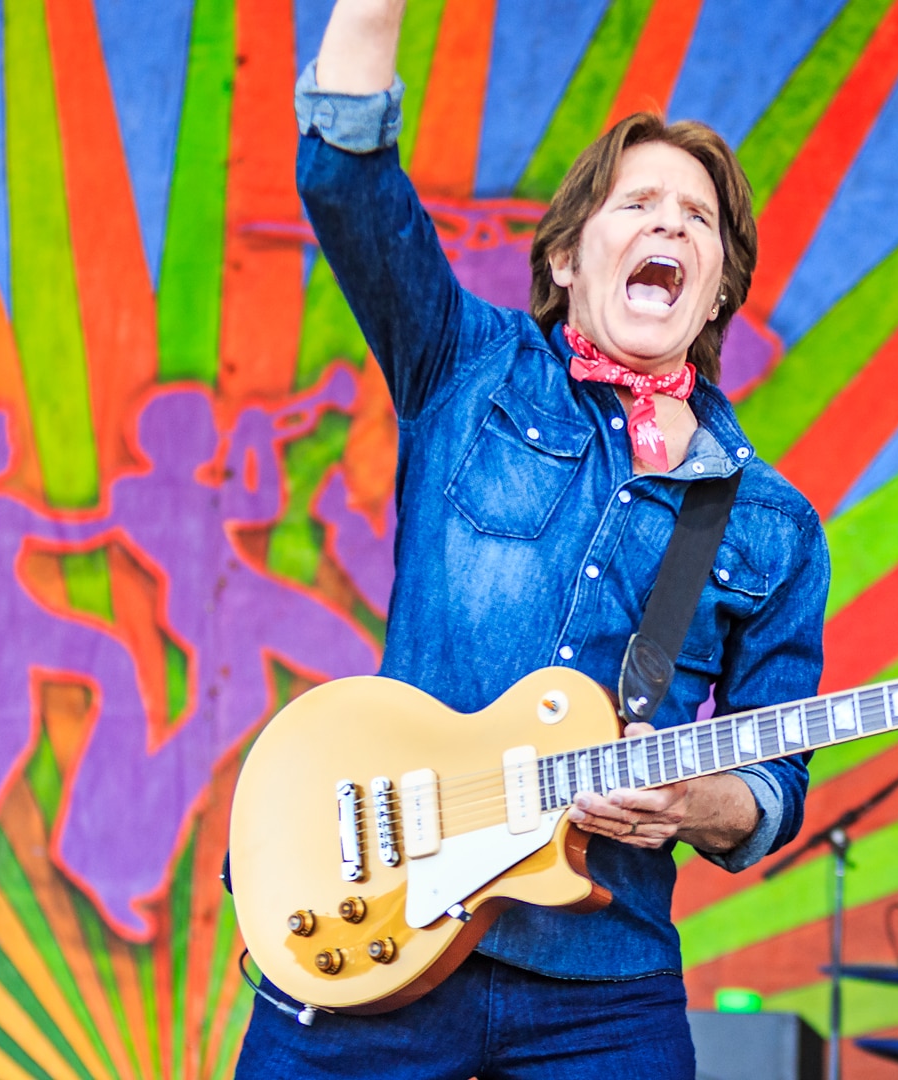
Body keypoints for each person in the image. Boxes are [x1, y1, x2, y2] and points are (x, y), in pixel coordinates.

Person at [234, 2, 830, 1075]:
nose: (670, 225)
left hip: (603, 990)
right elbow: (347, 179)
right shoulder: (468, 370)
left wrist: (699, 801)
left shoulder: (770, 525)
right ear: (563, 261)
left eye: (698, 220)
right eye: (637, 202)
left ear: (720, 291)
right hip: (379, 932)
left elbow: (774, 774)